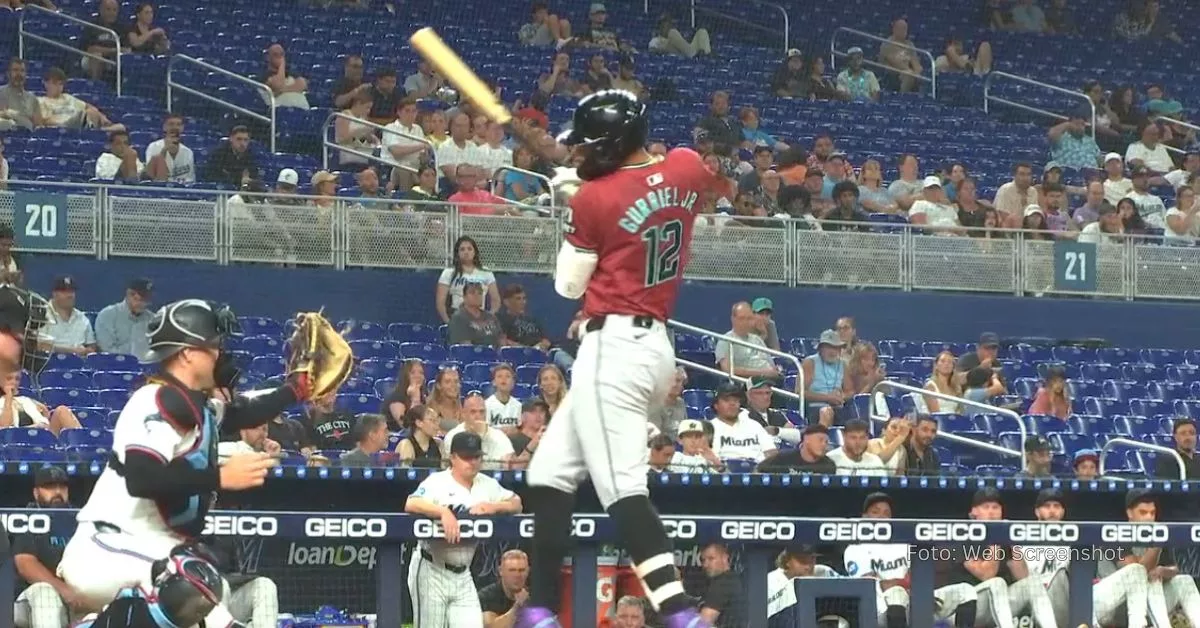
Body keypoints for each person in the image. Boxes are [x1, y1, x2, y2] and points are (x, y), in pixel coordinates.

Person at [518, 89, 715, 628]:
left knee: (623, 490)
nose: (583, 152)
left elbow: (566, 286)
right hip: (654, 347)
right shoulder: (686, 165)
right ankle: (537, 609)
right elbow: (643, 189)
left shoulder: (593, 199)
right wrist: (591, 189)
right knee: (548, 472)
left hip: (614, 347)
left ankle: (679, 614)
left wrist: (573, 205)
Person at [56, 299, 312, 622]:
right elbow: (141, 477)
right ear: (187, 352)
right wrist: (219, 477)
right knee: (194, 584)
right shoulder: (152, 399)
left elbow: (244, 411)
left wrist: (297, 389)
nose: (220, 354)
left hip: (149, 548)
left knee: (209, 587)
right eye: (212, 347)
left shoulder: (195, 406)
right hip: (107, 546)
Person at [405, 431, 523, 628]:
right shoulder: (438, 482)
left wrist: (494, 507)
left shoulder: (487, 484)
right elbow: (411, 503)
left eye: (476, 457)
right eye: (466, 457)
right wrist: (442, 511)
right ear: (452, 458)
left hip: (464, 574)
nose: (472, 462)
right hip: (432, 568)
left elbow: (516, 502)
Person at [12, 465, 75, 628]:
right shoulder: (28, 519)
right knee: (46, 593)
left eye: (62, 486)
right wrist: (63, 589)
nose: (58, 492)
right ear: (36, 493)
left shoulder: (79, 520)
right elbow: (25, 564)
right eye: (50, 487)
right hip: (30, 600)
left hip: (74, 597)